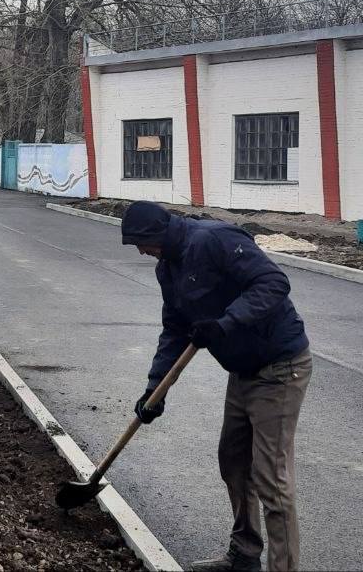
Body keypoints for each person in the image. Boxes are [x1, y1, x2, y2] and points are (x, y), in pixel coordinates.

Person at [123, 201, 311, 572]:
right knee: (234, 461)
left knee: (270, 477)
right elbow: (175, 329)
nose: (142, 252)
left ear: (158, 233)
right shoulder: (169, 268)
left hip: (279, 367)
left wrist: (226, 322)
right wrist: (154, 389)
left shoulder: (214, 239)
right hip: (242, 371)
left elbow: (274, 283)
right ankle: (244, 554)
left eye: (142, 243)